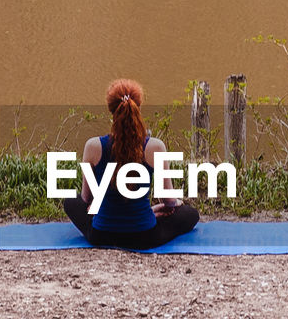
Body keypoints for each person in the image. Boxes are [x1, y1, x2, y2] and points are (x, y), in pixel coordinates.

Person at [63, 78, 200, 250]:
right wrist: (175, 203)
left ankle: (141, 214)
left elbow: (87, 199)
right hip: (144, 236)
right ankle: (148, 214)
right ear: (138, 107)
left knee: (70, 201)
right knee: (190, 214)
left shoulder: (93, 146)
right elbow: (169, 201)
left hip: (101, 235)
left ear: (110, 109)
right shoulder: (155, 146)